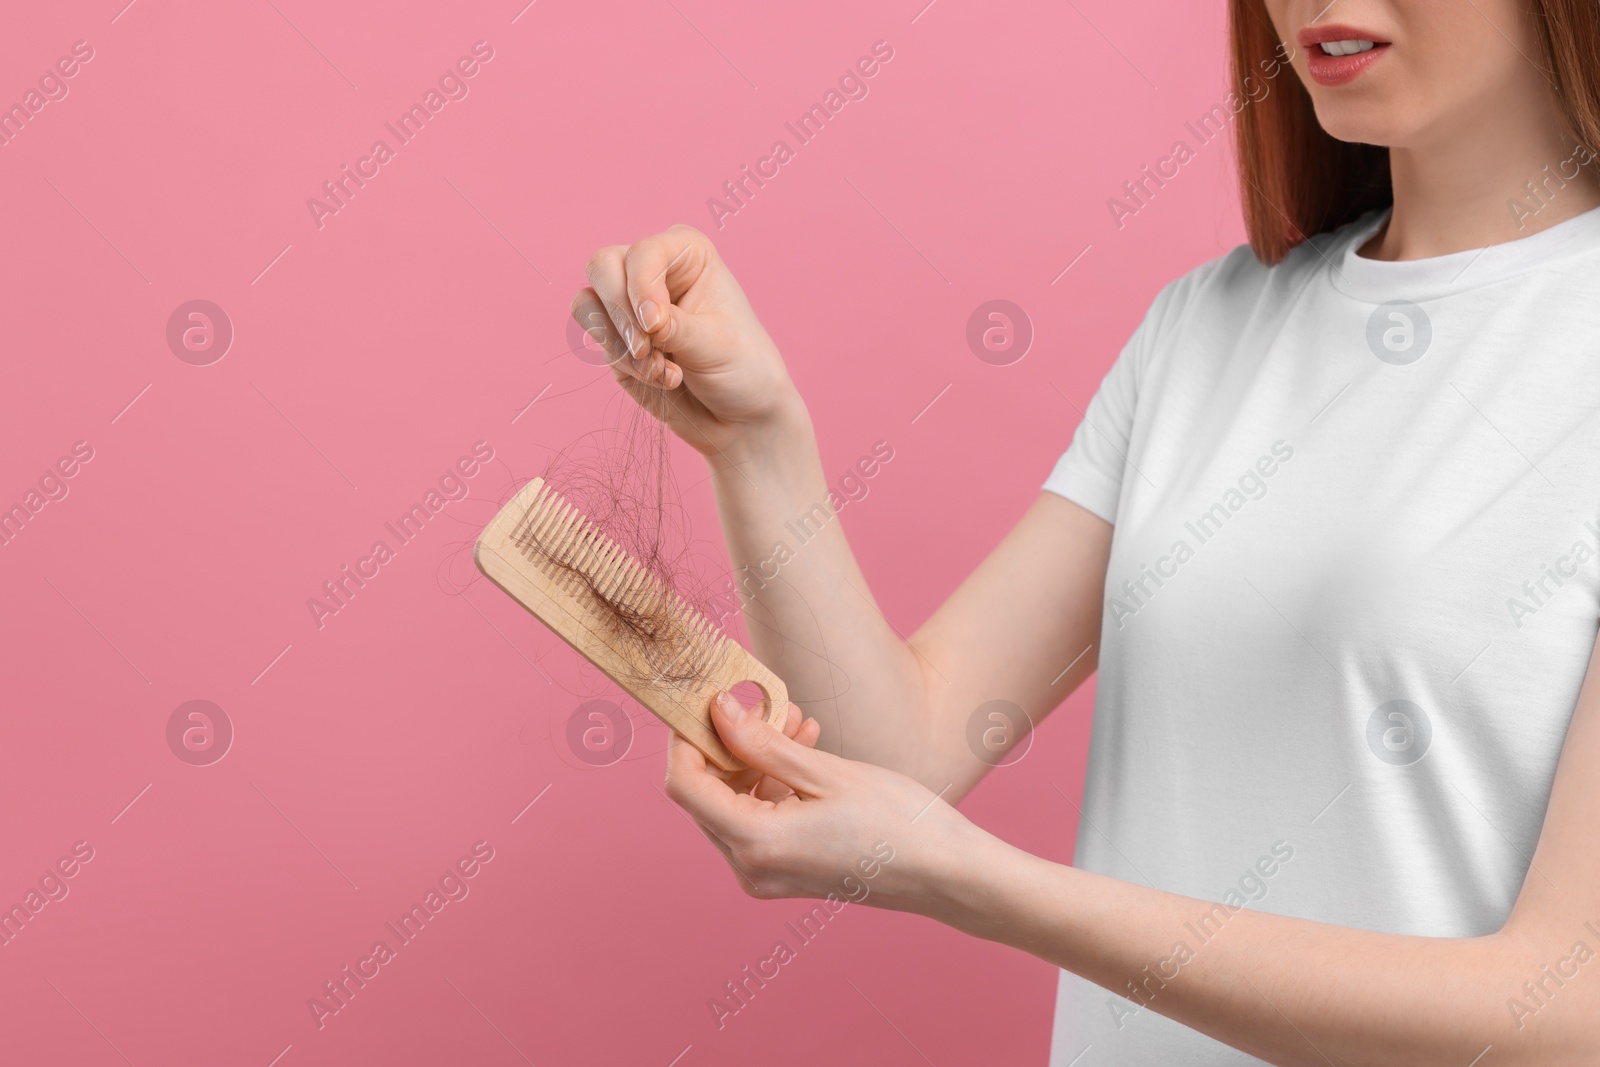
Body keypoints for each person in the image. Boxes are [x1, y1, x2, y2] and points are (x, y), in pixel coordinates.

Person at [569, 0, 1600, 1061]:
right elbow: (898, 753)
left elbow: (1565, 1009)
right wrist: (758, 444)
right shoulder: (1204, 331)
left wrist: (971, 878)